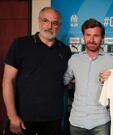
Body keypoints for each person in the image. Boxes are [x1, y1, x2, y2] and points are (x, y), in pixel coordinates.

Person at [2, 7, 71, 135]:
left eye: (54, 23)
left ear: (59, 26)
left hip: (53, 120)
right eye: (45, 20)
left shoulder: (65, 50)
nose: (49, 26)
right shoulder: (20, 45)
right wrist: (12, 116)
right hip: (23, 119)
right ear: (39, 22)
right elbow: (7, 81)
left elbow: (66, 80)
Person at [64, 18, 113, 135]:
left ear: (102, 38)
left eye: (96, 35)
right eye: (88, 35)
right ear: (83, 36)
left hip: (101, 122)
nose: (91, 39)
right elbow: (63, 81)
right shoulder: (74, 59)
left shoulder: (112, 61)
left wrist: (108, 81)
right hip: (77, 122)